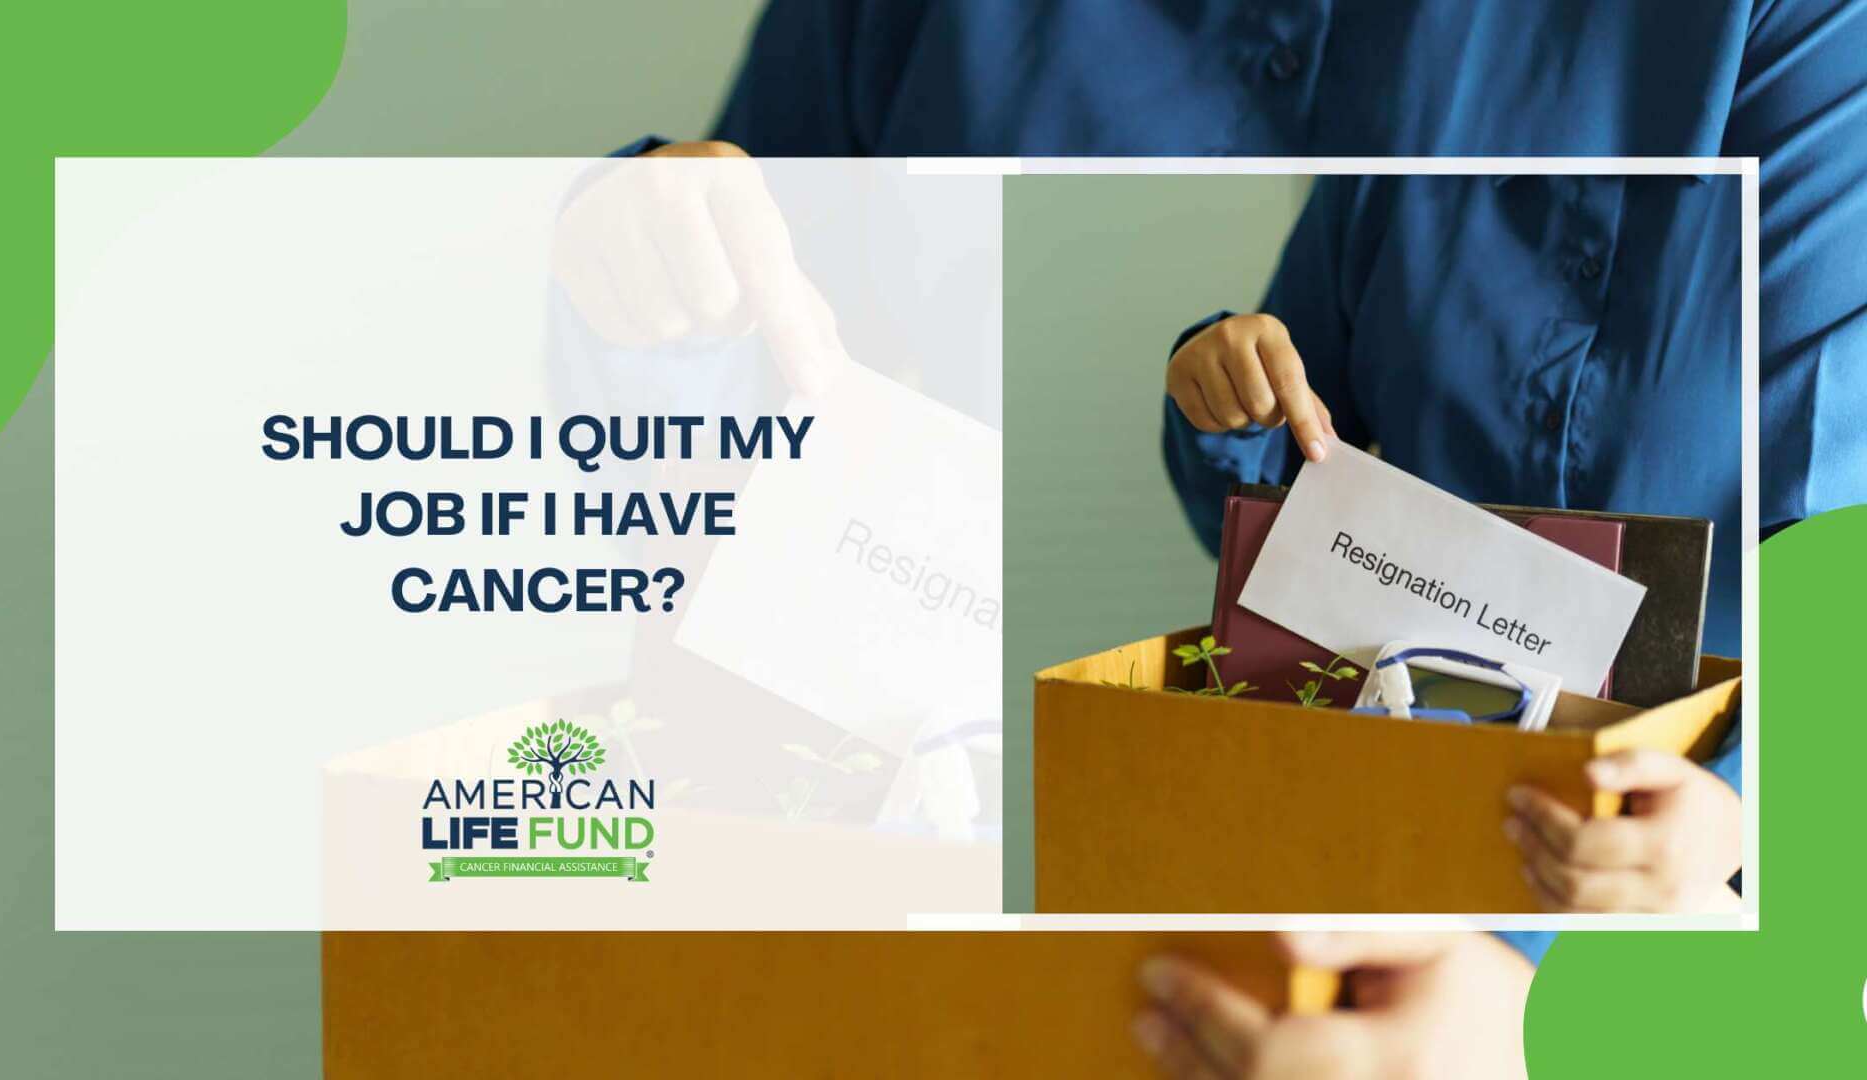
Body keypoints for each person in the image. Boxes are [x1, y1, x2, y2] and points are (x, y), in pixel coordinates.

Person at [572, 1, 1865, 1074]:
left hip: (1527, 928)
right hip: (915, 866)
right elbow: (697, 357)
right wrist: (631, 259)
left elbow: (1801, 631)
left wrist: (1523, 960)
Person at [1162, 174, 1746, 919]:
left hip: (1701, 854)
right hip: (1376, 818)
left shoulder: (1815, 179)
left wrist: (1741, 791)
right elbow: (1257, 526)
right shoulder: (1391, 161)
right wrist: (1227, 397)